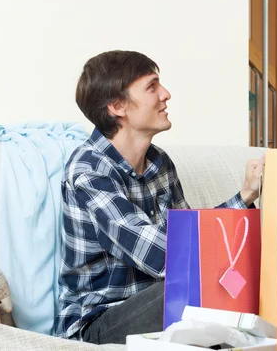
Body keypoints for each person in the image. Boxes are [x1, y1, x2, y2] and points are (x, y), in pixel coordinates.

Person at [54, 50, 264, 344]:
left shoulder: (159, 163)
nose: (166, 94)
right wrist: (230, 269)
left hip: (163, 303)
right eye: (152, 87)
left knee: (233, 279)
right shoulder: (89, 171)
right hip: (98, 323)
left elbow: (191, 237)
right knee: (202, 286)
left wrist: (246, 195)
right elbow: (164, 255)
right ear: (117, 106)